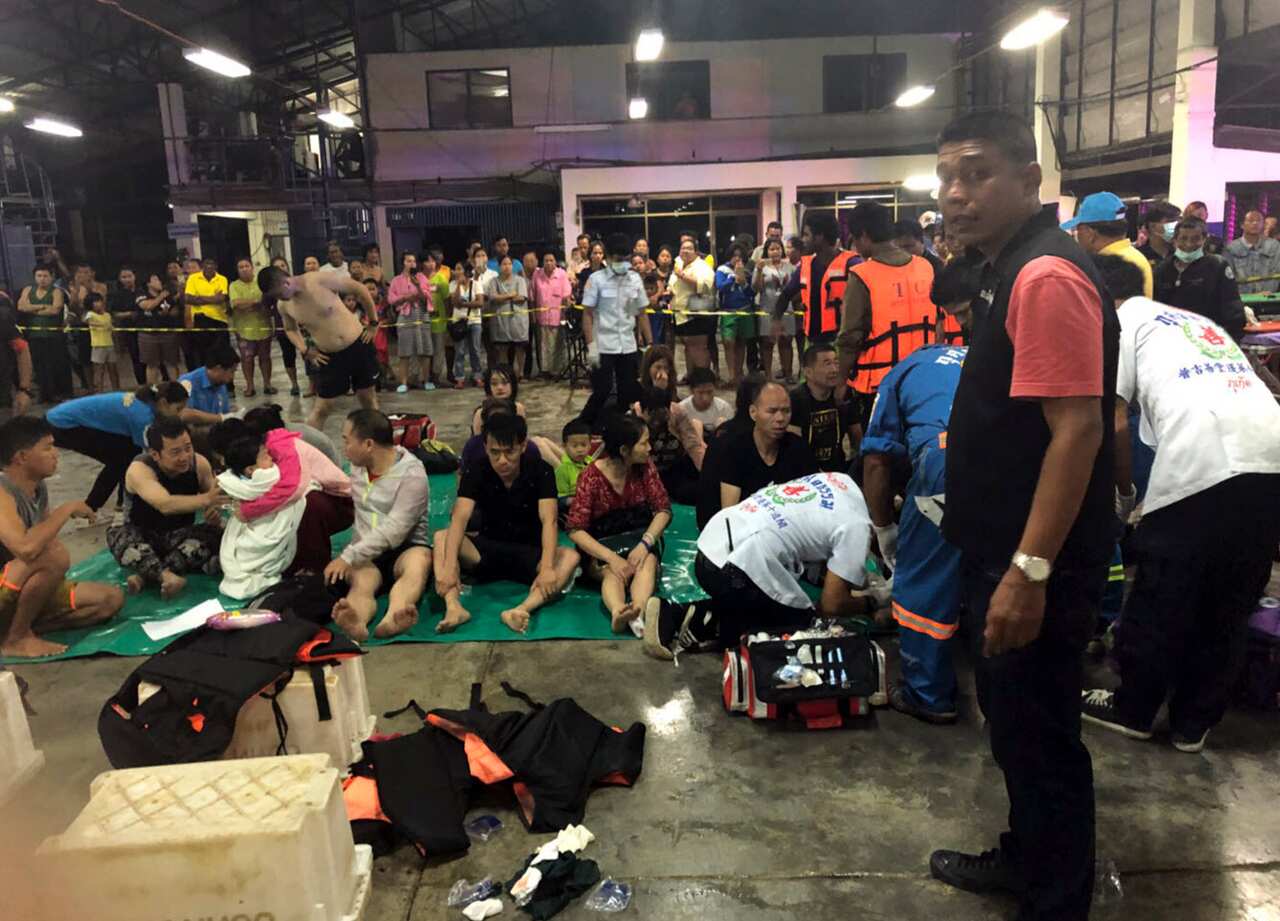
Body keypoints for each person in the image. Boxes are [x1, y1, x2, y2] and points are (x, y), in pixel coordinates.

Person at [930, 110, 1118, 921]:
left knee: (1041, 739)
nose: (955, 194)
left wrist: (1029, 572)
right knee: (1015, 727)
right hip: (1004, 552)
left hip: (1031, 561)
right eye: (946, 177)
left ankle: (1055, 899)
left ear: (1029, 181)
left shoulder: (1043, 275)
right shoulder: (1008, 268)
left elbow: (1078, 429)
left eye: (976, 173)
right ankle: (1027, 856)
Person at [1080, 255, 1280, 753]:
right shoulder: (1196, 321)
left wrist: (1124, 495)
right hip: (1270, 454)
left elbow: (1115, 420)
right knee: (1231, 598)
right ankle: (1194, 721)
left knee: (1163, 592)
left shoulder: (1120, 323)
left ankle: (1135, 708)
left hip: (1202, 454)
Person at [645, 472, 872, 660]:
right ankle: (700, 620)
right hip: (735, 568)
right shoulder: (857, 524)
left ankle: (678, 614)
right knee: (802, 625)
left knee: (767, 598)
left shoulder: (835, 478)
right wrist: (871, 604)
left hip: (711, 542)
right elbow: (832, 604)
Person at [862, 343, 967, 724]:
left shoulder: (901, 373)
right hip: (1019, 458)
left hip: (946, 457)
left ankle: (928, 694)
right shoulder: (990, 352)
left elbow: (876, 461)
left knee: (924, 581)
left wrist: (884, 529)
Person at [434, 412, 580, 634]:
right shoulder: (477, 469)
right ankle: (453, 607)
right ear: (485, 448)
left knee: (570, 556)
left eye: (509, 451)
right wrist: (449, 567)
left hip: (530, 554)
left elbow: (549, 520)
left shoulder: (541, 470)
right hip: (485, 551)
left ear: (523, 446)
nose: (502, 460)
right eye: (495, 452)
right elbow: (459, 518)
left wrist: (548, 568)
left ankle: (521, 609)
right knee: (442, 537)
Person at [0, 416, 125, 657]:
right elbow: (25, 549)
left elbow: (42, 538)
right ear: (22, 457)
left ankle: (19, 628)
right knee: (55, 555)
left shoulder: (38, 486)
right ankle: (17, 638)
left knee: (109, 600)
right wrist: (65, 510)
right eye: (47, 448)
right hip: (7, 584)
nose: (55, 453)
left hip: (17, 585)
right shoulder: (2, 491)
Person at [325, 410, 432, 642]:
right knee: (362, 583)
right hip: (366, 548)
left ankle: (394, 617)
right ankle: (356, 622)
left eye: (347, 440)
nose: (344, 447)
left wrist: (349, 556)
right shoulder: (356, 467)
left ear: (368, 444)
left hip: (405, 547)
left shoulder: (412, 475)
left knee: (418, 563)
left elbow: (397, 528)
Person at [566, 413, 671, 633]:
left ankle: (638, 612)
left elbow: (663, 510)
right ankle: (618, 611)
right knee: (612, 572)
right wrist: (611, 558)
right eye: (643, 443)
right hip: (602, 546)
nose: (650, 448)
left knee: (646, 563)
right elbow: (576, 529)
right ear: (624, 450)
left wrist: (645, 544)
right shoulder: (591, 477)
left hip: (637, 538)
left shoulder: (645, 467)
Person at [839, 201, 937, 425]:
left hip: (881, 385)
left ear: (863, 235)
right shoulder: (925, 267)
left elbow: (850, 337)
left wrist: (841, 382)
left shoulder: (862, 275)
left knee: (880, 453)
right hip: (922, 376)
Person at [107, 416, 223, 598]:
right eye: (176, 452)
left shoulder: (199, 464)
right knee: (118, 535)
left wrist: (213, 513)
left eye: (188, 448)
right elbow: (165, 504)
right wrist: (206, 500)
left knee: (215, 534)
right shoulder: (140, 470)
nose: (184, 457)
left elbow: (216, 499)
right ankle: (166, 575)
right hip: (143, 536)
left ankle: (145, 576)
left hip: (179, 536)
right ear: (155, 454)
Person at [256, 262, 380, 430]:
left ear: (286, 282)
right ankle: (309, 448)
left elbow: (360, 290)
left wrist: (373, 322)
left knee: (368, 400)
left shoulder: (319, 280)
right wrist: (305, 350)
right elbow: (290, 329)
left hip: (358, 345)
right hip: (329, 356)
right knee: (322, 408)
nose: (280, 299)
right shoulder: (284, 305)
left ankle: (379, 442)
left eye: (279, 294)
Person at [47, 382, 189, 512]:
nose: (180, 414)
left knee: (128, 453)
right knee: (119, 461)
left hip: (63, 418)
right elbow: (153, 453)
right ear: (163, 403)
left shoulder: (146, 403)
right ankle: (92, 505)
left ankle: (123, 499)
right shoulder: (142, 416)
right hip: (63, 425)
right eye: (178, 409)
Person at [715, 379, 818, 515]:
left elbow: (813, 502)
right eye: (772, 411)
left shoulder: (799, 448)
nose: (780, 418)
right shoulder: (735, 450)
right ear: (753, 412)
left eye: (786, 411)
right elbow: (729, 513)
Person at [580, 232, 648, 426]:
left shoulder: (634, 279)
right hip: (603, 344)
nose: (623, 264)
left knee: (628, 390)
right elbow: (587, 314)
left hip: (627, 344)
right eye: (618, 259)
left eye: (626, 259)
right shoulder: (596, 279)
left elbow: (642, 313)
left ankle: (619, 426)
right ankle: (584, 426)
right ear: (608, 257)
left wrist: (649, 343)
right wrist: (590, 346)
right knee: (603, 390)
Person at [1154, 216, 1246, 342]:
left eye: (1195, 239)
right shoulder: (1163, 269)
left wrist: (1226, 341)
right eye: (1183, 238)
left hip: (1210, 339)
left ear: (1204, 239)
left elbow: (1233, 311)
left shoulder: (1217, 266)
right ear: (1174, 240)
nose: (1189, 244)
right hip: (1173, 340)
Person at [779, 211, 858, 349]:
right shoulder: (806, 265)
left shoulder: (852, 264)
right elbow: (786, 294)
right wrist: (776, 320)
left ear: (819, 237)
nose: (803, 240)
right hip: (813, 341)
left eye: (806, 235)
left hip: (842, 342)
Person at [1060, 191, 1153, 298]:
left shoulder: (1112, 267)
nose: (1076, 235)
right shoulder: (1135, 256)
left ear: (1090, 233)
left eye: (1077, 229)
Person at [789, 343, 858, 472]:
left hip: (838, 472)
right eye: (827, 364)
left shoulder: (844, 396)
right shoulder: (795, 400)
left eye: (836, 363)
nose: (834, 370)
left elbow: (857, 440)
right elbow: (793, 449)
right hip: (804, 473)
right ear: (808, 372)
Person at [17, 266, 71, 404]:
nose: (42, 279)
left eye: (45, 276)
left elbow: (55, 309)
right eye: (39, 276)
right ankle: (45, 393)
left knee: (56, 364)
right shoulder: (28, 290)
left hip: (53, 335)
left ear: (51, 277)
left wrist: (32, 308)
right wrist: (41, 307)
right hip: (34, 335)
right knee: (39, 366)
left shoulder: (57, 291)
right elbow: (21, 306)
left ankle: (59, 392)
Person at [387, 251, 436, 393]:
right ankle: (403, 382)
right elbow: (391, 299)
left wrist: (418, 286)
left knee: (425, 350)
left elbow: (426, 296)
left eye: (413, 261)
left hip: (421, 315)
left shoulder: (421, 277)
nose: (411, 264)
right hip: (405, 316)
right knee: (404, 351)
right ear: (403, 262)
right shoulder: (396, 280)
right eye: (408, 261)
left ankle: (426, 380)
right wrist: (405, 298)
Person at [753, 238, 796, 383]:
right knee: (767, 343)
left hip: (787, 309)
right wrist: (758, 271)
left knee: (786, 342)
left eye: (778, 248)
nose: (775, 251)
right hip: (767, 308)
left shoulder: (790, 266)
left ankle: (788, 373)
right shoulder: (761, 266)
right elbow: (756, 288)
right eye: (772, 249)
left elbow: (796, 287)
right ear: (767, 251)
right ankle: (768, 376)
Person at [715, 246, 756, 385]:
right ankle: (731, 374)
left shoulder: (748, 271)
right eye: (734, 255)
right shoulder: (722, 270)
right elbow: (721, 287)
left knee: (741, 343)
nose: (737, 258)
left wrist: (744, 282)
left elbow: (752, 293)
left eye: (740, 256)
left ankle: (738, 374)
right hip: (728, 311)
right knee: (728, 342)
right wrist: (733, 277)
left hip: (745, 310)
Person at [183, 257, 231, 371]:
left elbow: (221, 299)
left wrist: (199, 298)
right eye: (206, 265)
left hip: (220, 320)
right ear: (202, 267)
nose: (209, 267)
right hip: (201, 320)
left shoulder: (222, 279)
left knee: (222, 354)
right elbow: (188, 299)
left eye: (212, 264)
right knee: (203, 355)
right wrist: (213, 298)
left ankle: (227, 385)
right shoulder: (193, 278)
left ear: (216, 267)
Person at [486, 254, 530, 378]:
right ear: (499, 266)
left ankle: (520, 373)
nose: (507, 267)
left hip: (517, 320)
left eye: (509, 264)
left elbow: (521, 297)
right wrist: (511, 295)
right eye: (504, 264)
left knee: (520, 348)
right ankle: (505, 373)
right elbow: (493, 297)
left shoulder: (520, 280)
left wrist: (503, 297)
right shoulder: (494, 281)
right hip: (501, 321)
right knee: (502, 348)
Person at [135, 272, 182, 384]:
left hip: (168, 333)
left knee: (172, 363)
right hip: (148, 334)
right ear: (148, 283)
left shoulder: (168, 295)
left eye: (159, 280)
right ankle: (152, 390)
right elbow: (147, 306)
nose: (159, 282)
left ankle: (175, 388)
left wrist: (168, 313)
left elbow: (175, 310)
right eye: (155, 280)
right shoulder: (141, 294)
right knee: (152, 364)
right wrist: (161, 297)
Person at [531, 250, 573, 378]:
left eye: (551, 260)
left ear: (555, 262)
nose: (549, 263)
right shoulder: (537, 274)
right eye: (546, 260)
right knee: (543, 344)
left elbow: (567, 293)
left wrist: (567, 303)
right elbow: (532, 295)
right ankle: (545, 370)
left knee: (557, 344)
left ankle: (558, 370)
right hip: (542, 316)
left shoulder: (562, 274)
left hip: (558, 316)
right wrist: (533, 315)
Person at [179, 344, 240, 427]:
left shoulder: (221, 383)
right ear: (218, 368)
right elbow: (183, 413)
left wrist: (232, 414)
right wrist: (220, 418)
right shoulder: (187, 382)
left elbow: (224, 411)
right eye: (232, 372)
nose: (232, 377)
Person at [449, 259, 486, 388]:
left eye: (459, 269)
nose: (457, 272)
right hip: (458, 322)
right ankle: (459, 377)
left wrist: (463, 304)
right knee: (459, 351)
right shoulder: (453, 285)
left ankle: (477, 376)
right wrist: (459, 286)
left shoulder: (476, 284)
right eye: (456, 269)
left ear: (465, 271)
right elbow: (454, 302)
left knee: (475, 350)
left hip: (475, 321)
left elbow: (480, 303)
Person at [1224, 209, 1280, 295]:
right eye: (1250, 220)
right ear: (1242, 224)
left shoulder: (1274, 246)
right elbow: (1229, 277)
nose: (1255, 223)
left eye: (1258, 221)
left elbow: (1276, 273)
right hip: (1241, 300)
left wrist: (1266, 292)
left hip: (1268, 298)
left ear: (1263, 224)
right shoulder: (1231, 248)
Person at [108, 266, 147, 385]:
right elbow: (114, 313)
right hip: (129, 330)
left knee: (150, 359)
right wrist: (129, 314)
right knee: (136, 358)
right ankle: (141, 384)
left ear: (134, 276)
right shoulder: (117, 295)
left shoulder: (143, 291)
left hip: (147, 328)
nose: (127, 279)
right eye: (124, 277)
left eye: (129, 276)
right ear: (120, 279)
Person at [678, 366, 731, 433]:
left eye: (709, 392)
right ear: (691, 391)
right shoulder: (681, 409)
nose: (705, 398)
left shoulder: (724, 408)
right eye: (700, 393)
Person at [555, 416, 593, 506]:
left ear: (590, 445)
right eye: (574, 446)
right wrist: (578, 500)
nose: (580, 450)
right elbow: (559, 499)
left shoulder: (592, 463)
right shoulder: (562, 470)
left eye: (583, 445)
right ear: (564, 446)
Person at [85, 293, 117, 392]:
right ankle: (99, 391)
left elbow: (112, 329)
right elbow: (89, 322)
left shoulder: (108, 315)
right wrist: (103, 325)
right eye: (95, 302)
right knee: (99, 371)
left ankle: (116, 390)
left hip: (109, 344)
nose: (99, 303)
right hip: (98, 346)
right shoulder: (90, 314)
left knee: (113, 369)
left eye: (99, 301)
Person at [1136, 201, 1181, 266]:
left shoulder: (1181, 254)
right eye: (1170, 221)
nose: (1176, 225)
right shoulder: (1139, 256)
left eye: (1178, 220)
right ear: (1153, 226)